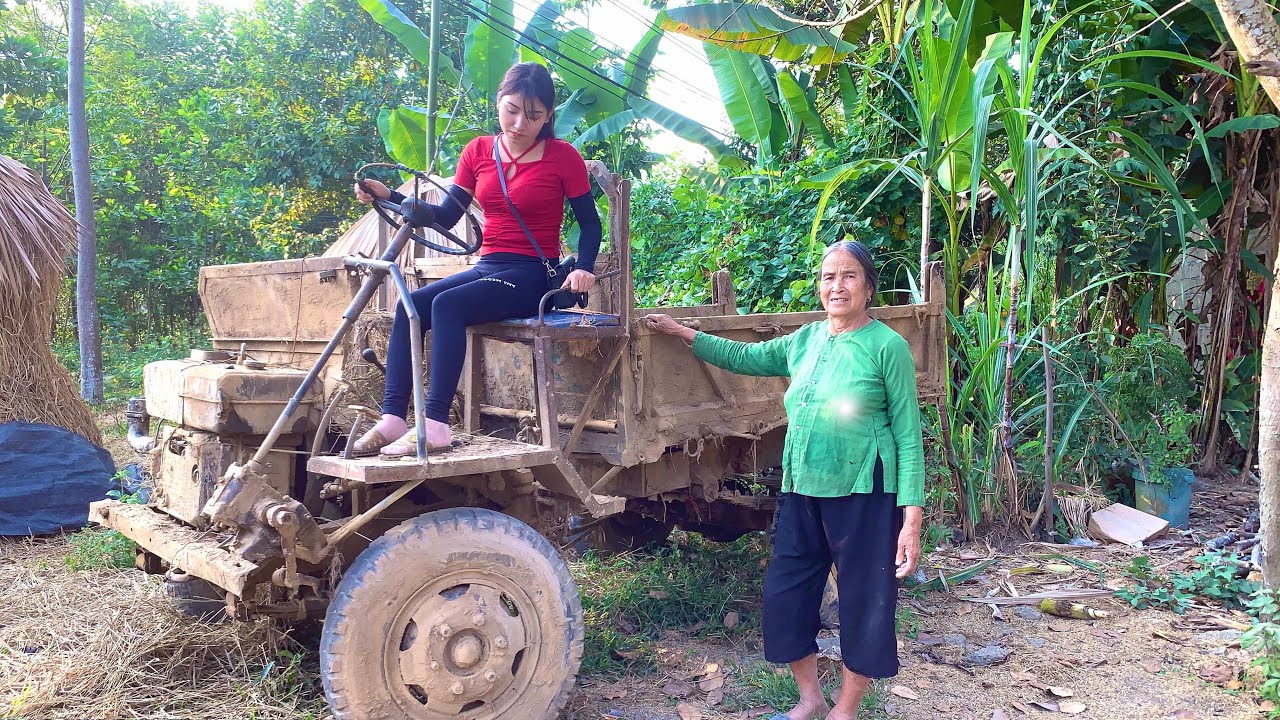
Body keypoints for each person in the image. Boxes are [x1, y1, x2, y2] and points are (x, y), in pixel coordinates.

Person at [645, 241, 924, 720]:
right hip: (801, 487)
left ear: (868, 286)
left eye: (849, 276)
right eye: (828, 276)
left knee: (865, 600)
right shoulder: (806, 340)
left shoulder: (888, 346)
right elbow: (743, 357)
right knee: (786, 595)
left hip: (865, 491)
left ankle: (846, 709)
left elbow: (908, 433)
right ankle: (810, 698)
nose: (836, 286)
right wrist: (681, 331)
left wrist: (911, 517)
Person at [351, 62, 601, 456]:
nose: (519, 123)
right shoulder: (479, 151)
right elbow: (447, 215)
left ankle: (435, 425)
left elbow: (589, 223)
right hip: (489, 267)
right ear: (499, 104)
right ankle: (393, 418)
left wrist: (585, 266)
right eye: (511, 110)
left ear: (548, 117)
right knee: (410, 305)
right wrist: (391, 198)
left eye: (533, 115)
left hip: (532, 273)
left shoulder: (562, 157)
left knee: (449, 305)